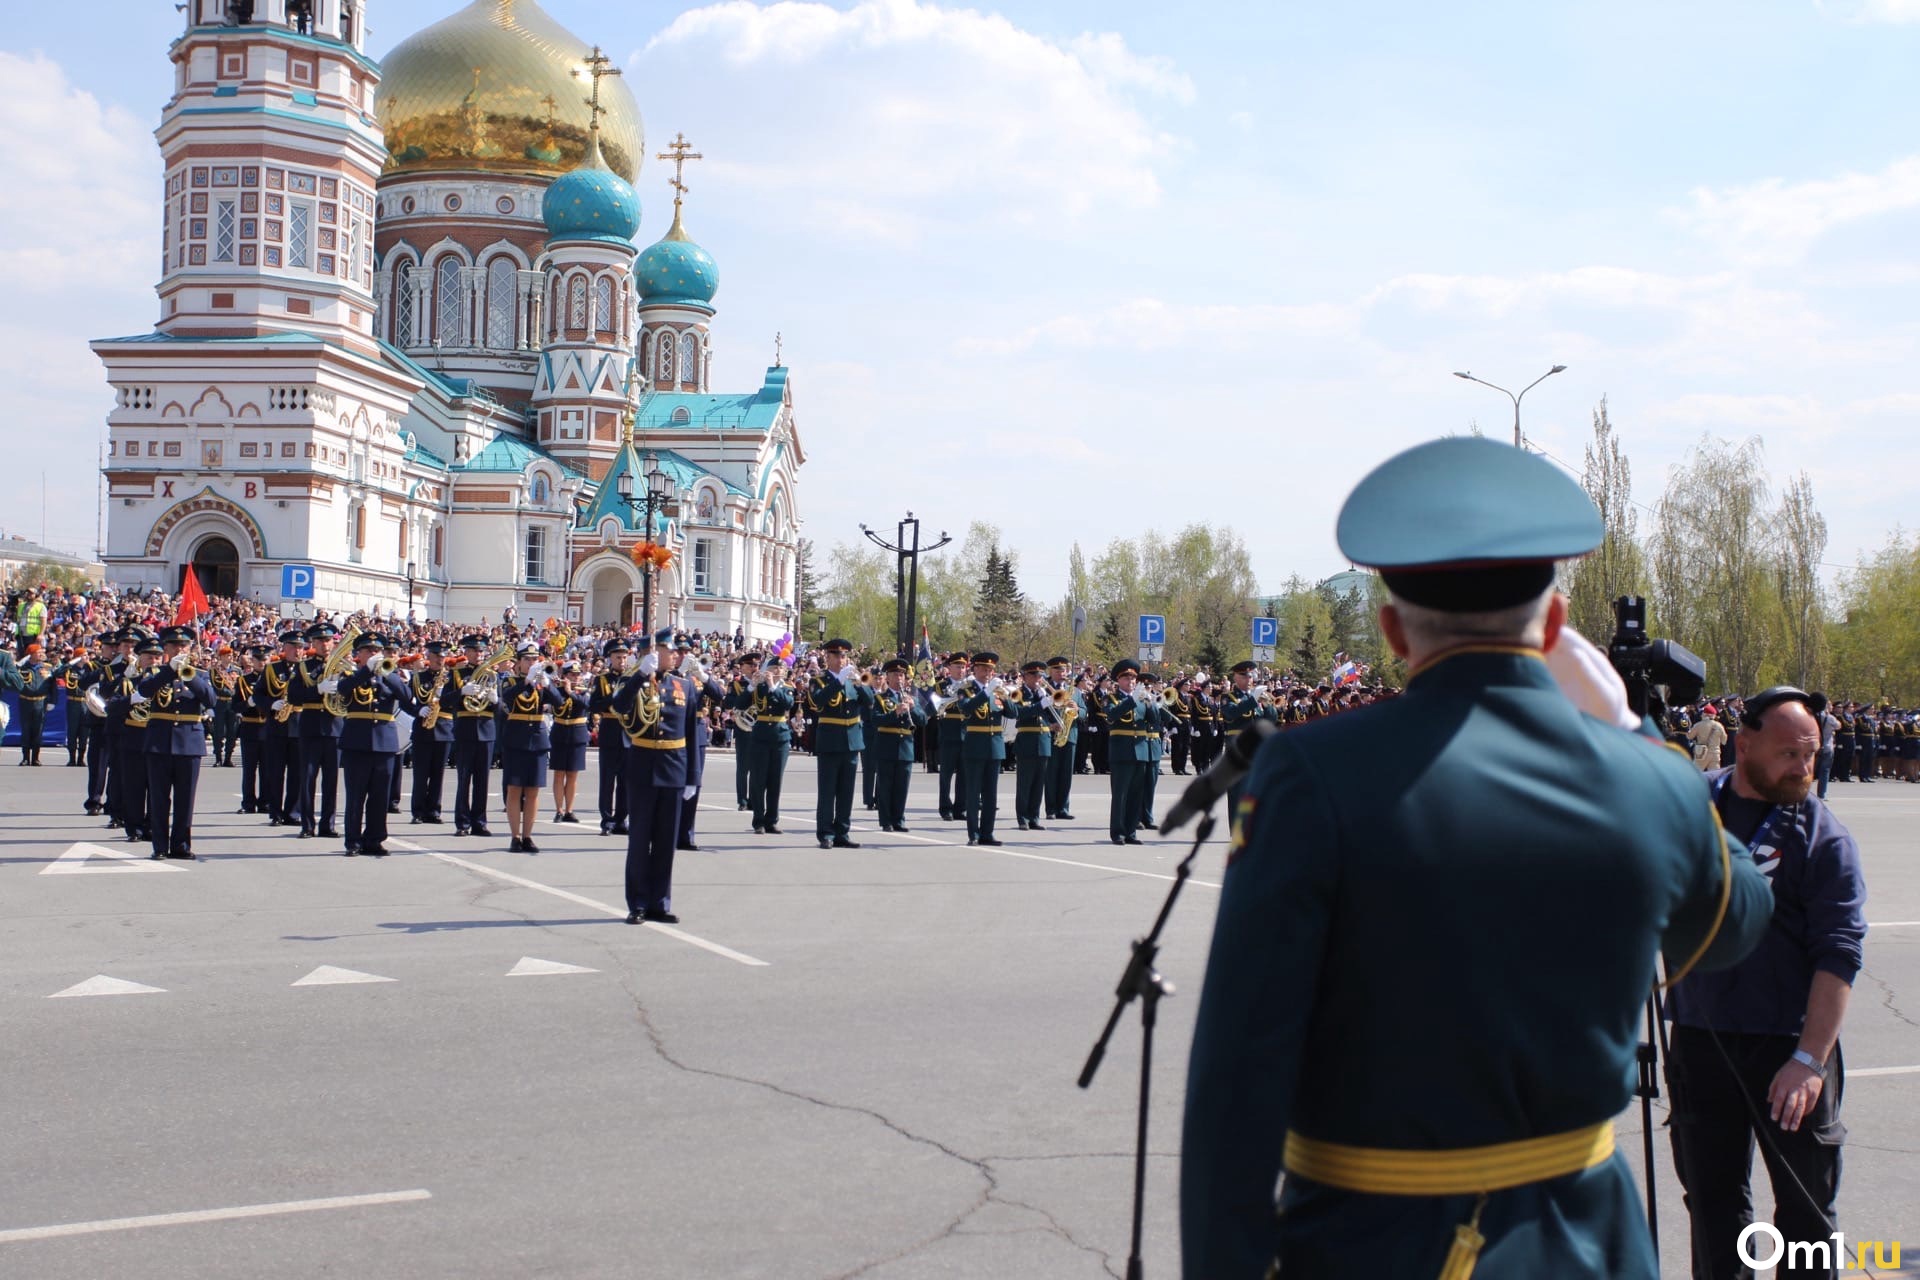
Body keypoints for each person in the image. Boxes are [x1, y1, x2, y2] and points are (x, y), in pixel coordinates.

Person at [1180, 436, 1773, 1280]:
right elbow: (1737, 923)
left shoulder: (1311, 775)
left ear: (1392, 631)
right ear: (1556, 625)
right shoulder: (1650, 778)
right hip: (1586, 1246)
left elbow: (1239, 1075)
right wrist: (1633, 727)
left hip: (1369, 1244)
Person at [1665, 687, 1868, 1280]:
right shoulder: (1692, 808)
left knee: (1806, 1219)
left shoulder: (1824, 838)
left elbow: (1840, 955)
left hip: (1791, 1050)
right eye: (1789, 754)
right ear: (1745, 743)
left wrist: (1809, 1060)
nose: (1804, 768)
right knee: (1713, 1208)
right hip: (1701, 1041)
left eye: (1811, 754)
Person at [613, 627, 698, 923]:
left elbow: (690, 732)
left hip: (674, 768)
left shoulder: (684, 686)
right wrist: (639, 675)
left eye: (675, 651)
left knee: (665, 841)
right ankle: (637, 903)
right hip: (643, 766)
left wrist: (692, 777)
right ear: (654, 652)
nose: (675, 655)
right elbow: (619, 706)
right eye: (669, 650)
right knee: (639, 840)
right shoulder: (633, 680)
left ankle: (659, 903)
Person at [137, 627, 216, 860]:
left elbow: (210, 699)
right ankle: (160, 846)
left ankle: (181, 845)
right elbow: (144, 690)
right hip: (160, 742)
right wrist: (169, 671)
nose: (179, 649)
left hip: (189, 742)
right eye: (174, 645)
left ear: (190, 648)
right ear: (166, 649)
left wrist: (188, 675)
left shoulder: (199, 674)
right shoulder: (155, 672)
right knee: (159, 799)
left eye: (184, 645)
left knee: (185, 799)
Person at [336, 634, 418, 856]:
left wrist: (387, 674)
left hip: (384, 742)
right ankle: (353, 841)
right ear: (359, 654)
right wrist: (366, 671)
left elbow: (406, 696)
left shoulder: (390, 676)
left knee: (380, 796)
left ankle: (374, 839)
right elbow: (342, 690)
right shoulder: (350, 674)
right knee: (356, 796)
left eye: (377, 650)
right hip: (357, 742)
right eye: (368, 650)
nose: (374, 654)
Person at [806, 638, 873, 849]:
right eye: (836, 655)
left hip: (852, 742)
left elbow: (870, 701)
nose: (841, 659)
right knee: (827, 791)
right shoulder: (819, 680)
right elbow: (817, 701)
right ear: (827, 657)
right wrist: (838, 681)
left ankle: (842, 832)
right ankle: (826, 833)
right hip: (830, 741)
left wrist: (859, 682)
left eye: (844, 655)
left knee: (846, 792)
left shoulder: (853, 680)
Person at [497, 642, 564, 853]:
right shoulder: (510, 681)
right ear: (518, 663)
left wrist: (547, 684)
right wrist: (526, 681)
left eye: (535, 659)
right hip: (516, 738)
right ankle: (515, 837)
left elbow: (559, 702)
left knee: (533, 790)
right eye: (527, 659)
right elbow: (507, 698)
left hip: (537, 738)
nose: (532, 663)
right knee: (514, 789)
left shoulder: (540, 684)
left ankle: (527, 836)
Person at [671, 635, 728, 852]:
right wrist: (679, 673)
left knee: (693, 784)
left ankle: (687, 834)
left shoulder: (697, 677)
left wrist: (702, 676)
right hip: (676, 731)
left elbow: (719, 695)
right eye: (680, 652)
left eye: (687, 652)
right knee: (672, 785)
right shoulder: (667, 675)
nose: (684, 655)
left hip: (696, 732)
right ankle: (670, 832)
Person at [955, 651, 1011, 847]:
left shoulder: (997, 690)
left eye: (990, 670)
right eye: (984, 669)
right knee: (973, 792)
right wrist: (986, 692)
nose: (987, 673)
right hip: (975, 746)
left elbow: (1013, 713)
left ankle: (988, 832)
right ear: (975, 670)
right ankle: (974, 833)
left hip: (995, 746)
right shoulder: (966, 689)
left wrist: (1005, 696)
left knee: (991, 794)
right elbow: (966, 708)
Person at [443, 635, 498, 837]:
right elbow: (444, 702)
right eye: (474, 650)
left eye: (481, 650)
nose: (478, 654)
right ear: (466, 652)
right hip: (465, 730)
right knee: (464, 779)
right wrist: (461, 692)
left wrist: (496, 700)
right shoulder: (457, 674)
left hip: (486, 730)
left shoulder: (492, 675)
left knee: (482, 781)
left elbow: (502, 708)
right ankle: (462, 822)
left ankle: (480, 822)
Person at [293, 622, 342, 839]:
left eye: (328, 640)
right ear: (313, 642)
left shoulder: (342, 666)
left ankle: (327, 825)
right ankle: (307, 825)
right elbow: (293, 697)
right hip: (311, 728)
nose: (324, 644)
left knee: (331, 780)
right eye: (320, 640)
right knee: (307, 779)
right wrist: (317, 689)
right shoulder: (303, 667)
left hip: (333, 728)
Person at [741, 654, 795, 834]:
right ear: (767, 671)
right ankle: (758, 821)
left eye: (780, 668)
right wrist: (751, 686)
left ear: (784, 672)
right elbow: (739, 704)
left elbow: (788, 704)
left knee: (775, 781)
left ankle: (772, 820)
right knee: (758, 780)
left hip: (780, 737)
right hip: (761, 737)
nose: (777, 670)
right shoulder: (759, 687)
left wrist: (773, 686)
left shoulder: (787, 688)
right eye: (773, 668)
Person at [871, 657, 925, 832]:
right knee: (885, 786)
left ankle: (899, 819)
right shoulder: (880, 698)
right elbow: (875, 720)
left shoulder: (911, 698)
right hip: (887, 745)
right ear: (887, 677)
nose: (899, 678)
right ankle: (886, 820)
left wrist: (913, 708)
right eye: (895, 674)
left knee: (902, 787)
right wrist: (895, 713)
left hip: (906, 747)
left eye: (901, 675)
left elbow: (923, 720)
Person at [1101, 659, 1151, 846]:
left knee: (1136, 795)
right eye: (1126, 678)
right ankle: (1118, 832)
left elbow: (1156, 721)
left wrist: (1154, 703)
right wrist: (1131, 700)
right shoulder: (1111, 698)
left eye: (1133, 678)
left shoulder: (1141, 699)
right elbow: (1111, 715)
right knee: (1120, 794)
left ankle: (1131, 831)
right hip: (1122, 751)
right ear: (1118, 680)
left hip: (1140, 750)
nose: (1131, 681)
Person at [408, 641, 453, 824]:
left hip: (443, 728)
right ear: (429, 656)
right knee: (420, 774)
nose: (440, 660)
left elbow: (457, 701)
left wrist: (446, 696)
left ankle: (434, 810)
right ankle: (418, 811)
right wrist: (418, 710)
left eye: (443, 656)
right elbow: (405, 701)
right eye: (436, 656)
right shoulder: (418, 678)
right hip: (422, 729)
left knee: (438, 774)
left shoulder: (451, 678)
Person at [589, 639, 630, 835]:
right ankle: (607, 820)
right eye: (618, 657)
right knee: (607, 781)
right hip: (610, 730)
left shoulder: (633, 678)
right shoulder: (602, 680)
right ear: (610, 658)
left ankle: (621, 820)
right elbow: (593, 705)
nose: (622, 661)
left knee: (626, 782)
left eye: (624, 657)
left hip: (629, 732)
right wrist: (612, 697)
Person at [1010, 660, 1057, 830]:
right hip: (1027, 742)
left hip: (1043, 742)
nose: (1038, 679)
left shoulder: (1042, 694)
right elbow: (1019, 713)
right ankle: (1022, 818)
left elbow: (1051, 716)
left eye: (1040, 676)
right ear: (1025, 677)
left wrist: (1054, 717)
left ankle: (1034, 817)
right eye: (1035, 675)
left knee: (1038, 784)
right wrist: (1041, 704)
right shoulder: (1018, 694)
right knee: (1025, 783)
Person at [548, 661, 590, 824]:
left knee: (572, 774)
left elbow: (585, 704)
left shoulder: (583, 691)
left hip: (577, 733)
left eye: (578, 675)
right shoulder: (557, 691)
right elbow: (554, 702)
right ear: (564, 675)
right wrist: (557, 687)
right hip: (560, 732)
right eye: (572, 675)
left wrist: (570, 692)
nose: (576, 677)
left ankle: (569, 810)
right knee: (559, 773)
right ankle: (559, 810)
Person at [1044, 657, 1083, 821]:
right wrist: (1049, 725)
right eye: (1058, 670)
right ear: (1051, 671)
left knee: (1066, 774)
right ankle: (1051, 809)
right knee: (1051, 774)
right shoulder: (1044, 689)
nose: (1062, 673)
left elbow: (1085, 712)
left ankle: (1063, 808)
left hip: (1070, 735)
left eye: (1064, 670)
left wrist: (1077, 709)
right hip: (1051, 735)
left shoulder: (1075, 691)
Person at [935, 652, 969, 821]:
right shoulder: (941, 686)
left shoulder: (970, 686)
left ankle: (960, 808)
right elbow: (936, 706)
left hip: (967, 733)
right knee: (946, 774)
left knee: (964, 774)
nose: (961, 670)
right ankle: (945, 808)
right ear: (949, 668)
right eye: (957, 666)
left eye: (963, 667)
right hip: (949, 732)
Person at [15, 644, 53, 765]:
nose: (41, 654)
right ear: (31, 654)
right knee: (26, 729)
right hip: (26, 701)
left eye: (42, 652)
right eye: (38, 652)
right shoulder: (22, 668)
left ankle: (35, 757)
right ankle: (25, 757)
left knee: (38, 730)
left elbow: (53, 686)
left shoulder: (47, 668)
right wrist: (20, 663)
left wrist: (52, 701)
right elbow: (13, 675)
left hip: (40, 702)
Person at [1689, 704, 1728, 772]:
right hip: (1715, 753)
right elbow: (1724, 741)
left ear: (1704, 714)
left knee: (1695, 773)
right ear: (1714, 715)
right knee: (1714, 774)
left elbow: (1689, 736)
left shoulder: (1698, 725)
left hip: (1702, 753)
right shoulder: (1719, 726)